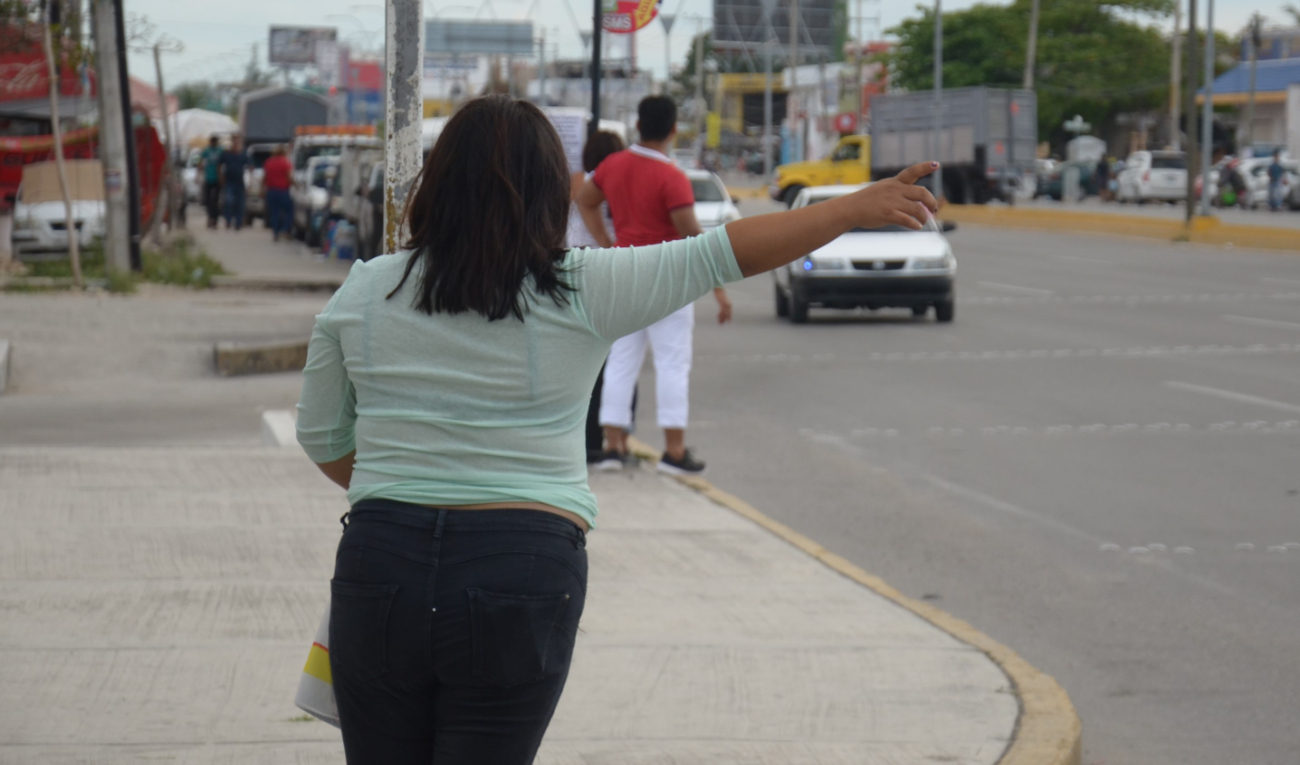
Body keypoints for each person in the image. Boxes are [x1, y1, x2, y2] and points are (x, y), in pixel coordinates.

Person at [294, 94, 937, 764]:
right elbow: (720, 254)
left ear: (438, 180)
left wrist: (396, 487)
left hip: (381, 562)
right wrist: (851, 208)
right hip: (523, 567)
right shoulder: (581, 288)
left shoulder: (367, 289)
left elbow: (322, 434)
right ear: (551, 191)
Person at [576, 95, 732, 476]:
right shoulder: (671, 177)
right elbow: (693, 237)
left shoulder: (612, 165)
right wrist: (719, 289)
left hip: (625, 275)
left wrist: (607, 243)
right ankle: (674, 452)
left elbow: (585, 198)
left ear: (639, 125)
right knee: (672, 364)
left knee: (621, 361)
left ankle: (613, 445)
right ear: (674, 129)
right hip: (667, 281)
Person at [566, 131, 628, 463]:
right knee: (613, 362)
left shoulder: (578, 180)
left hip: (574, 267)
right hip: (604, 267)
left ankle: (587, 439)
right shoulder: (609, 182)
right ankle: (608, 439)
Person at [262, 145, 293, 241]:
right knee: (289, 210)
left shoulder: (269, 162)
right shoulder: (285, 162)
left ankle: (275, 232)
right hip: (282, 190)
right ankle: (284, 228)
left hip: (271, 191)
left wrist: (262, 189)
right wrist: (295, 183)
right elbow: (288, 177)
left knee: (274, 212)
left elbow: (265, 177)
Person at [219, 135, 249, 230]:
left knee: (240, 203)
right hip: (229, 182)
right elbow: (219, 165)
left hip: (240, 182)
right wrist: (221, 176)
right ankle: (228, 220)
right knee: (229, 202)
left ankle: (238, 223)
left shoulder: (243, 154)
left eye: (237, 140)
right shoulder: (226, 153)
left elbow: (250, 166)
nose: (236, 142)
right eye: (234, 140)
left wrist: (249, 180)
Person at [199, 136, 223, 229]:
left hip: (217, 179)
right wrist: (200, 167)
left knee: (216, 200)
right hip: (208, 178)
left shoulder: (220, 150)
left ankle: (215, 220)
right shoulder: (207, 150)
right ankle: (210, 218)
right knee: (208, 201)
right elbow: (200, 159)